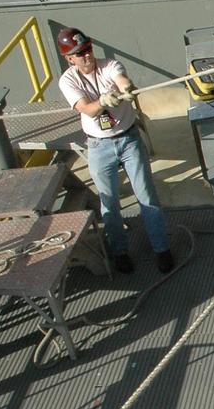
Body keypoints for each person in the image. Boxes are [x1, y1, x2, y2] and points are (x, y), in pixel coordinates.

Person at [56, 27, 173, 275]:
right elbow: (87, 109)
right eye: (79, 53)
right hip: (99, 145)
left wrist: (125, 88)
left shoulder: (109, 65)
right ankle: (119, 252)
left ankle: (161, 249)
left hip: (128, 139)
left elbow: (121, 79)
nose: (86, 56)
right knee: (109, 203)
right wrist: (104, 102)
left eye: (87, 49)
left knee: (147, 197)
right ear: (69, 58)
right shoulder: (67, 80)